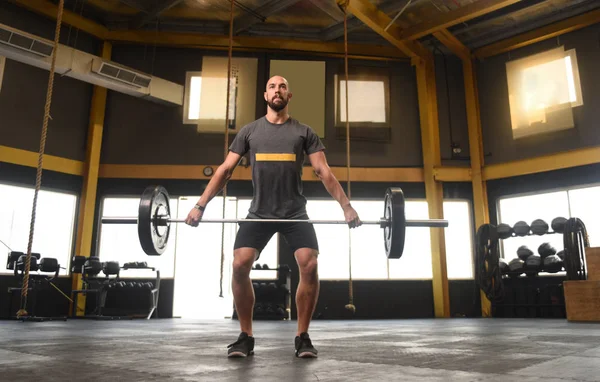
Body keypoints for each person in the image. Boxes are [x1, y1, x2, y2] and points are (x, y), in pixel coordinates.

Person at [185, 75, 361, 358]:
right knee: (240, 264)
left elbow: (323, 171)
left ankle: (302, 336)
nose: (276, 90)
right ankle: (245, 336)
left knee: (310, 264)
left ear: (288, 96)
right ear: (265, 95)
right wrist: (200, 205)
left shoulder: (304, 132)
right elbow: (225, 170)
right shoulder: (249, 131)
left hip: (294, 212)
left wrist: (346, 207)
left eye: (282, 87)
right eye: (271, 86)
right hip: (259, 212)